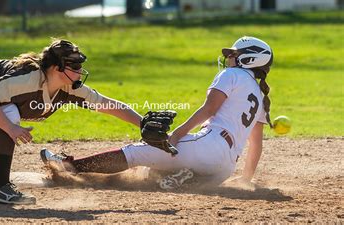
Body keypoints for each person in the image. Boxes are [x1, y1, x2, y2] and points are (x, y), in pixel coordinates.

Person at [41, 36, 274, 188]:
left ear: (249, 58)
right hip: (224, 167)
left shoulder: (231, 75)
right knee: (152, 173)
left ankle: (69, 167)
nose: (228, 57)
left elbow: (209, 109)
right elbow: (256, 145)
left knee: (137, 153)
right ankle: (184, 177)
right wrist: (245, 179)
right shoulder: (261, 96)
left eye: (233, 54)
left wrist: (177, 135)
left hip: (209, 147)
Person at [0, 39, 142, 204]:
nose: (80, 71)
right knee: (8, 114)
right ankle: (0, 189)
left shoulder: (69, 87)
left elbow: (106, 104)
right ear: (56, 68)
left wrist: (142, 124)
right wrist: (10, 127)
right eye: (75, 65)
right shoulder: (30, 78)